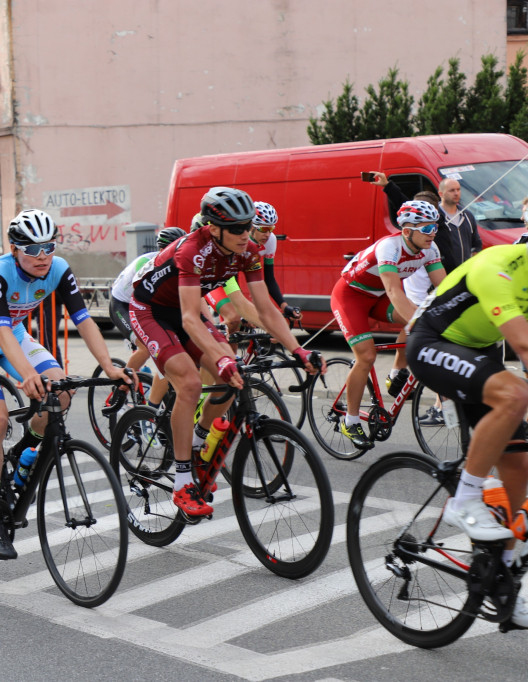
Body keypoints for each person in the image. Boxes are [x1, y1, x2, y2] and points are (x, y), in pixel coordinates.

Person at [0, 209, 133, 560]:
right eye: (32, 249)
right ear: (15, 249)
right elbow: (0, 330)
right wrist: (25, 376)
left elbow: (83, 320)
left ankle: (22, 452)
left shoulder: (59, 269)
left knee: (63, 390)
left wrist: (108, 365)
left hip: (14, 333)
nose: (42, 256)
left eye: (48, 247)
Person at [131, 186, 321, 517]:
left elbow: (265, 309)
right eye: (237, 228)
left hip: (183, 311)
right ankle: (181, 482)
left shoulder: (247, 250)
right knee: (190, 383)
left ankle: (199, 443)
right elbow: (190, 317)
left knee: (231, 376)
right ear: (213, 227)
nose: (246, 234)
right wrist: (219, 355)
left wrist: (299, 350)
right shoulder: (193, 249)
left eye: (248, 226)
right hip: (151, 311)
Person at [405, 242, 528, 627]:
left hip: (478, 353)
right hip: (432, 343)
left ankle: (503, 579)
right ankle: (466, 497)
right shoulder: (498, 266)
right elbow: (524, 346)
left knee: (520, 465)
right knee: (515, 394)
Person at [330, 200, 446, 448]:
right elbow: (394, 291)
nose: (432, 233)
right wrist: (420, 323)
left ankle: (396, 374)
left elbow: (445, 288)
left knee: (417, 318)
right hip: (351, 297)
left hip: (376, 297)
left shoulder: (430, 249)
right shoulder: (389, 248)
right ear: (407, 231)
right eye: (426, 229)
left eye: (434, 227)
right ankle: (349, 422)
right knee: (367, 356)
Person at [109, 227, 187, 412]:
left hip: (145, 305)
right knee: (146, 347)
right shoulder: (148, 266)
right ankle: (120, 391)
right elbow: (141, 306)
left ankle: (153, 407)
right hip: (123, 305)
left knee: (172, 351)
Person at [202, 201, 302, 334]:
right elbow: (231, 276)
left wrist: (284, 306)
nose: (268, 234)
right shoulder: (238, 241)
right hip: (218, 277)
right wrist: (242, 310)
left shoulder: (270, 240)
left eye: (271, 229)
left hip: (230, 278)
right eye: (264, 229)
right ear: (251, 227)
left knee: (244, 327)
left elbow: (269, 278)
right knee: (233, 320)